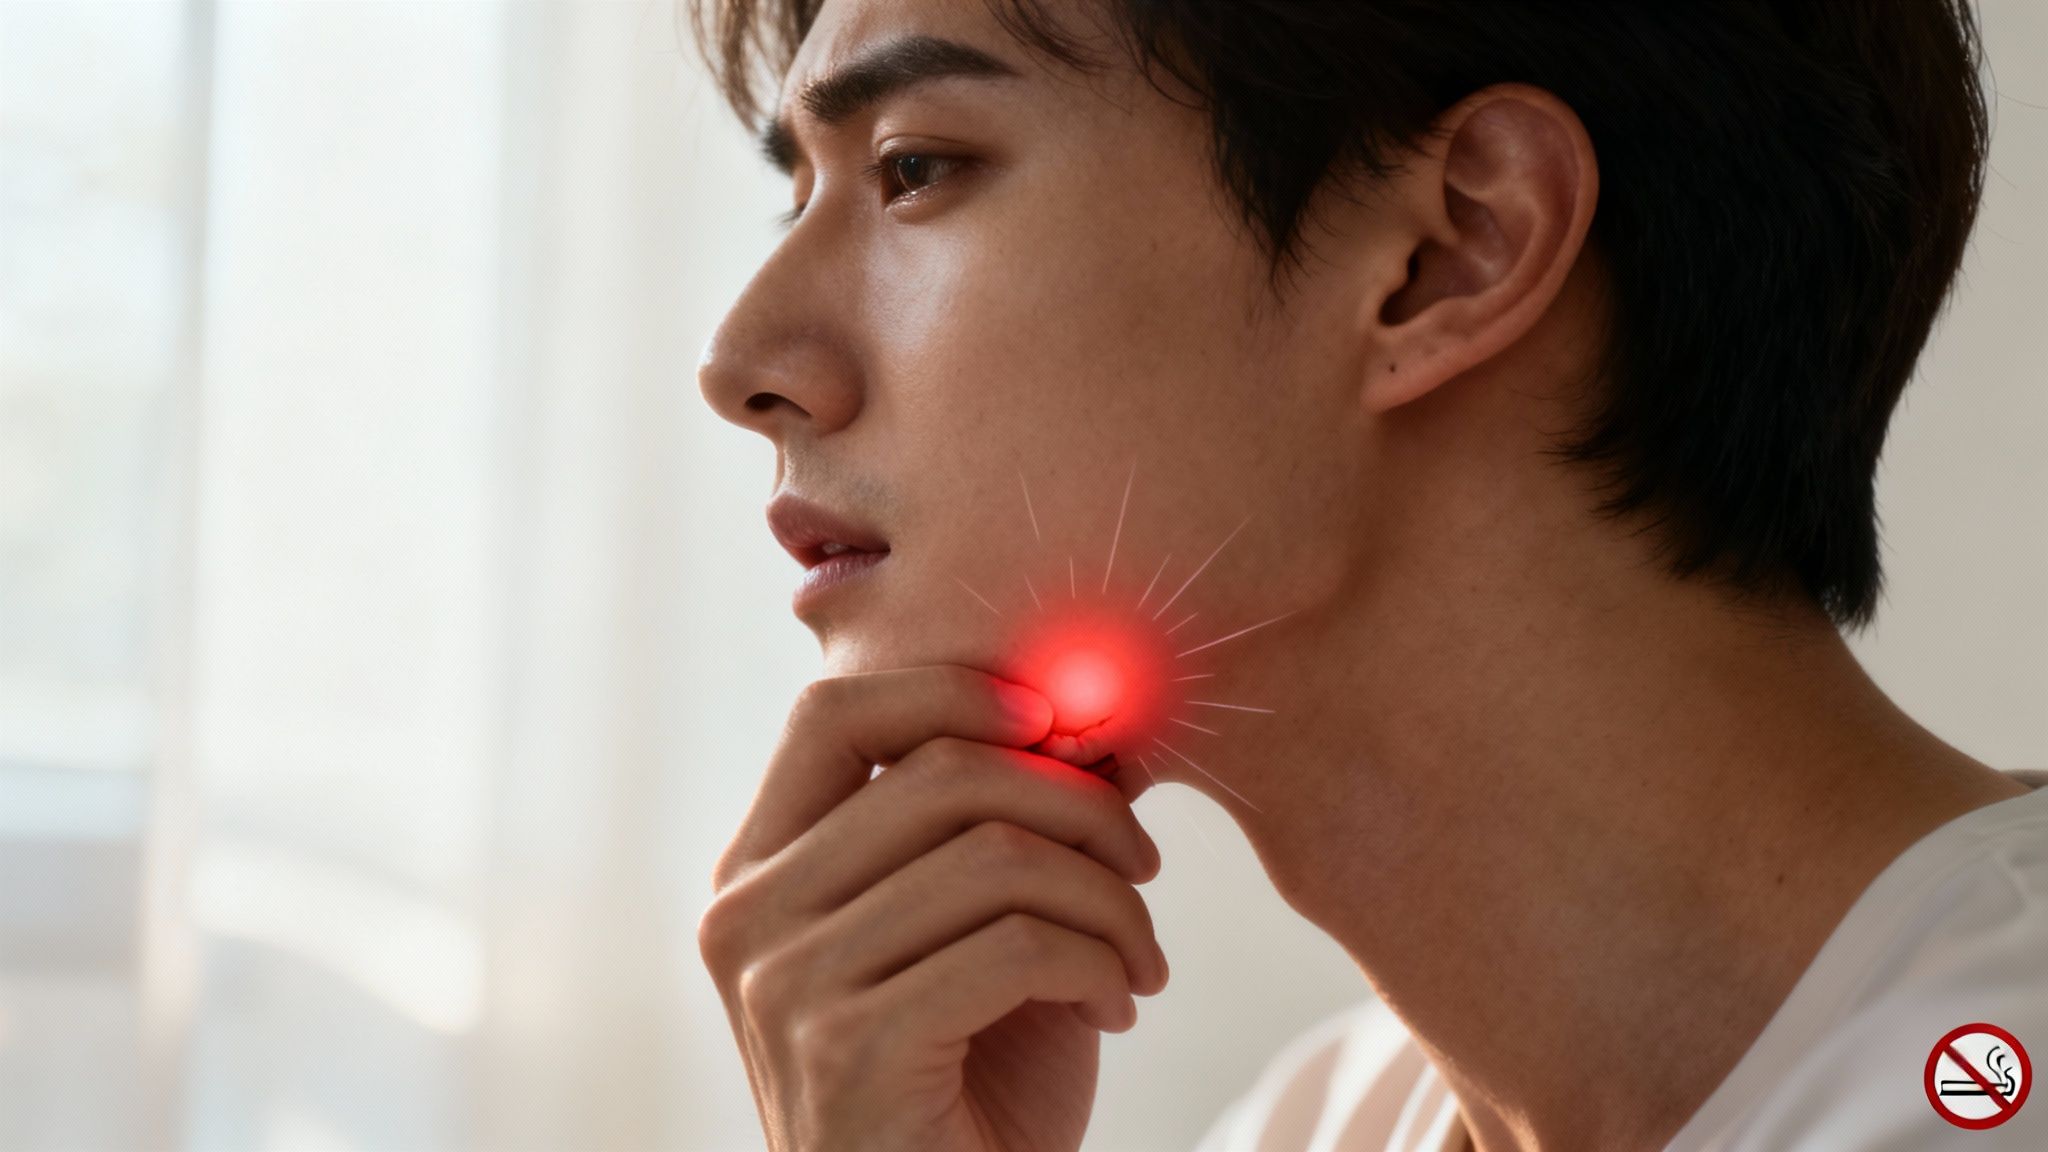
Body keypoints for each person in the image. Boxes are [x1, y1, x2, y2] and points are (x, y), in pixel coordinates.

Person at [686, 1, 2046, 1148]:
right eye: (796, 197)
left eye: (913, 168)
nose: (742, 360)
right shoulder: (1319, 1119)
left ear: (1452, 246)